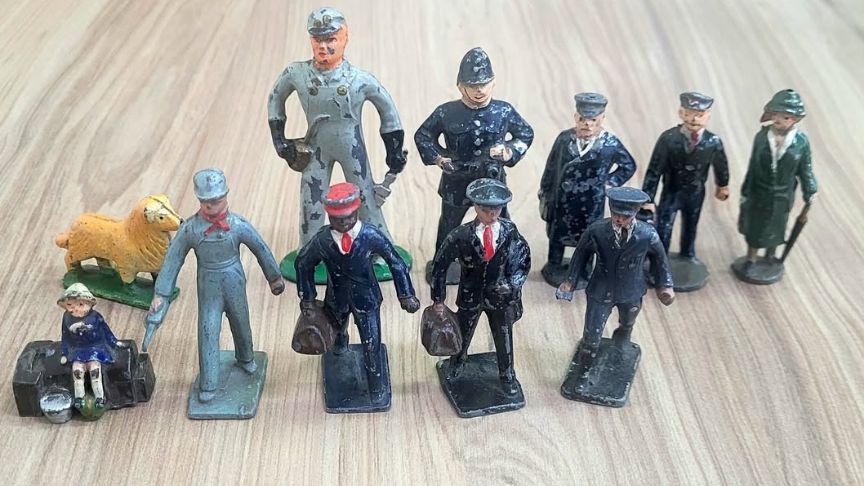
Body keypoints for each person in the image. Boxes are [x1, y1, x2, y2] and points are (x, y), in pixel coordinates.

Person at [267, 7, 407, 246]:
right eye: (317, 39)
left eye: (330, 39)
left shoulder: (359, 80)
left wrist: (393, 150)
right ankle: (309, 250)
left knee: (365, 198)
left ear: (345, 38)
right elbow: (275, 98)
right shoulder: (297, 74)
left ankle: (381, 248)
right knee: (311, 201)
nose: (323, 46)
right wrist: (279, 140)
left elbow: (388, 111)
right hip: (315, 150)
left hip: (352, 149)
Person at [146, 169, 285, 404]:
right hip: (208, 286)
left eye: (217, 200)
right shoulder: (191, 229)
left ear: (226, 196)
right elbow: (173, 260)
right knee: (208, 329)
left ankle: (246, 358)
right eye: (206, 201)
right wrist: (161, 293)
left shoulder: (237, 224)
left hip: (233, 281)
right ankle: (209, 383)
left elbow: (259, 246)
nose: (211, 205)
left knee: (241, 320)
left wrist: (274, 277)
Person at [295, 182, 420, 406]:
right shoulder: (323, 240)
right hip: (336, 300)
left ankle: (376, 386)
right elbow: (303, 263)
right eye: (337, 219)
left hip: (367, 300)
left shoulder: (370, 235)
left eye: (348, 217)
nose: (343, 223)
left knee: (372, 343)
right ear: (329, 216)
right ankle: (339, 357)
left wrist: (406, 294)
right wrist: (308, 299)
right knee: (336, 336)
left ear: (357, 210)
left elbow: (395, 261)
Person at [415, 47, 533, 282]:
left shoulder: (503, 111)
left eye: (484, 84)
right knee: (449, 225)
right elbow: (423, 136)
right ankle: (442, 265)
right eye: (473, 85)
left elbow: (526, 134)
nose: (479, 90)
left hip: (492, 182)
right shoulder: (446, 112)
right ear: (461, 86)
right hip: (456, 180)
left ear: (493, 83)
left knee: (502, 224)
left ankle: (506, 262)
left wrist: (509, 151)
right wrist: (438, 158)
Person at [557, 187, 674, 379]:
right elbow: (579, 256)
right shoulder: (596, 231)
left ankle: (623, 336)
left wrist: (665, 285)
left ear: (634, 213)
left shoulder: (647, 234)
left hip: (631, 291)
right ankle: (583, 374)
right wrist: (569, 282)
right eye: (616, 214)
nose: (619, 219)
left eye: (625, 216)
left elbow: (660, 259)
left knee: (628, 320)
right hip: (600, 290)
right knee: (591, 335)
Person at [430, 178, 530, 396]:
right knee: (462, 333)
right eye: (486, 210)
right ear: (475, 207)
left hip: (500, 297)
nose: (492, 215)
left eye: (497, 210)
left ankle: (507, 375)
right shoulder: (460, 235)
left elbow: (522, 258)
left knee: (504, 337)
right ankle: (457, 362)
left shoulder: (509, 231)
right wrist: (438, 299)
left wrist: (512, 284)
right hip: (470, 295)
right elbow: (439, 266)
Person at [538, 93, 637, 287]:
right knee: (557, 235)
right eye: (583, 119)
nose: (587, 124)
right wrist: (545, 191)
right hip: (563, 200)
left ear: (602, 118)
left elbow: (628, 165)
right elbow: (551, 167)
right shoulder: (564, 139)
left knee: (589, 236)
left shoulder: (610, 143)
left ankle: (584, 271)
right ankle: (554, 265)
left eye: (593, 120)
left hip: (591, 202)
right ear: (576, 117)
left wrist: (610, 183)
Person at [736, 89, 817, 280]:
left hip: (782, 195)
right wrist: (745, 191)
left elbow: (805, 169)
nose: (779, 120)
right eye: (776, 115)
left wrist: (810, 190)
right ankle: (751, 258)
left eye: (785, 117)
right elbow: (753, 166)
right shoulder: (762, 137)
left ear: (795, 119)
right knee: (755, 227)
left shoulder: (801, 142)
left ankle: (770, 256)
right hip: (759, 192)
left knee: (776, 226)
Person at [642, 92, 730, 260]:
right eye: (689, 114)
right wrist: (648, 198)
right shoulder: (668, 138)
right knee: (664, 225)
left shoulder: (713, 141)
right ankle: (660, 257)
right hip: (671, 191)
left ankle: (688, 255)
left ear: (708, 116)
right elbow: (654, 170)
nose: (694, 119)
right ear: (681, 113)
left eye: (699, 115)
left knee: (691, 224)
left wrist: (722, 185)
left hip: (695, 192)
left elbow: (721, 165)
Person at [58, 283, 127, 410]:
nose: (75, 309)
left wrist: (114, 342)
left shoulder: (95, 317)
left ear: (89, 304)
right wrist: (64, 352)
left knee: (95, 370)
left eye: (80, 304)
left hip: (95, 349)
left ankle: (99, 397)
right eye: (70, 305)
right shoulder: (67, 318)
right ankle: (79, 397)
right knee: (77, 371)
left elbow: (106, 331)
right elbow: (65, 336)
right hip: (77, 350)